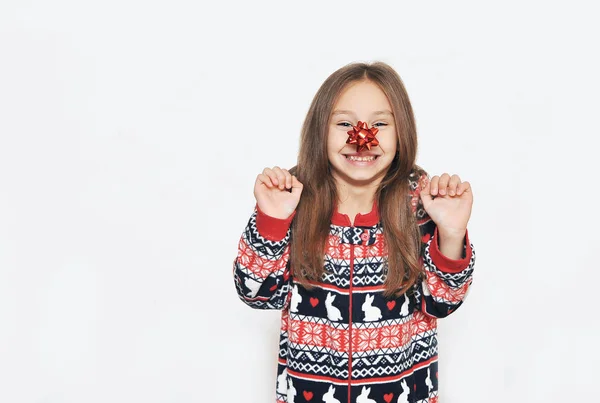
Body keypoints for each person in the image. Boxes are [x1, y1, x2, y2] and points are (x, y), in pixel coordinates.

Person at [232, 61, 476, 403]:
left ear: (401, 130)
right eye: (344, 123)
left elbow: (442, 303)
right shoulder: (293, 199)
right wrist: (272, 221)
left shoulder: (421, 203)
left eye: (380, 123)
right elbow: (255, 294)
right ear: (321, 130)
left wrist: (451, 234)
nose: (362, 137)